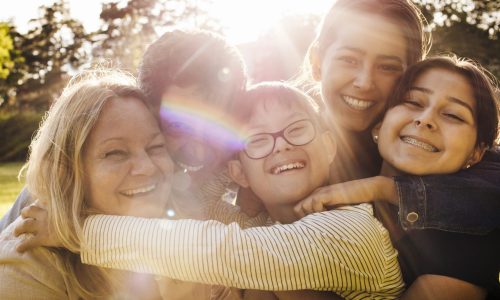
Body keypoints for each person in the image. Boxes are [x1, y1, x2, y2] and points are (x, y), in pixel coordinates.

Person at [19, 82, 406, 299]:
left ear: (329, 145)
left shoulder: (352, 230)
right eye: (258, 140)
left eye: (297, 129)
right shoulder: (257, 219)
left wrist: (77, 229)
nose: (281, 145)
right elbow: (195, 197)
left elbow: (225, 251)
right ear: (237, 171)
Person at [295, 56, 500, 299]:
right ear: (378, 126)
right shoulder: (328, 189)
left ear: (476, 153)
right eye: (413, 102)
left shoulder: (471, 241)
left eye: (453, 115)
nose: (425, 119)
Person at [301, 0, 500, 234]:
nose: (364, 83)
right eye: (349, 60)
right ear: (317, 62)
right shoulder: (278, 131)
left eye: (388, 67)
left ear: (410, 77)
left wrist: (385, 188)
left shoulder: (409, 144)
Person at [0, 70, 174, 299]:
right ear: (67, 171)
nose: (148, 167)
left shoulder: (181, 232)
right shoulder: (28, 266)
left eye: (156, 147)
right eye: (116, 153)